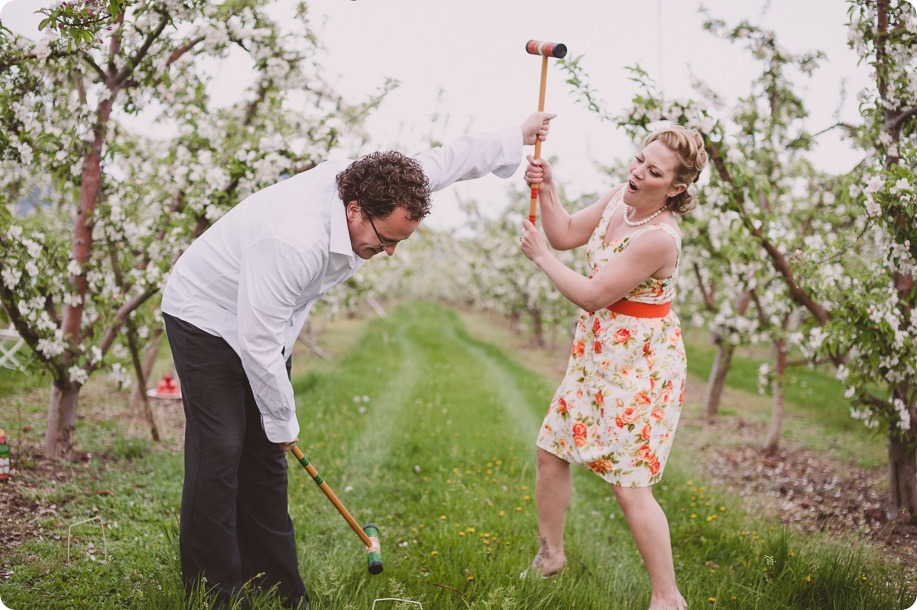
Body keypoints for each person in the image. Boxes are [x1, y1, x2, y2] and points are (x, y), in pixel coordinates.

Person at [161, 111, 555, 609]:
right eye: (385, 240)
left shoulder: (390, 187)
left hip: (264, 320)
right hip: (205, 314)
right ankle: (214, 591)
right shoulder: (291, 240)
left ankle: (278, 587)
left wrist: (514, 137)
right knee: (219, 451)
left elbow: (449, 160)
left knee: (263, 462)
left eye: (399, 242)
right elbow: (256, 342)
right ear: (353, 210)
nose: (389, 251)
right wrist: (281, 421)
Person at [518, 124, 707, 610]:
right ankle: (551, 554)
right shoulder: (617, 199)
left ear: (677, 187)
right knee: (551, 450)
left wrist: (540, 258)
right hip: (596, 354)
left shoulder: (660, 239)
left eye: (654, 171)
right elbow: (563, 235)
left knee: (629, 487)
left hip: (640, 366)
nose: (638, 172)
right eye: (640, 160)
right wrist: (549, 187)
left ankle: (668, 598)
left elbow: (592, 294)